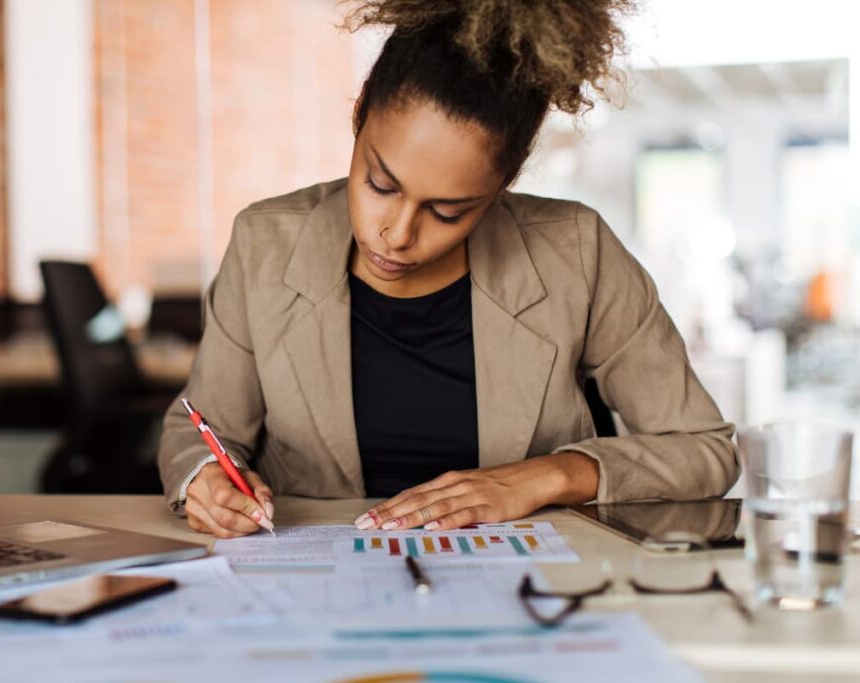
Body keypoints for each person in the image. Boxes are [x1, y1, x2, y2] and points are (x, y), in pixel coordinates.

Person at [158, 0, 739, 539]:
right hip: (318, 577)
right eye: (380, 184)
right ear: (360, 113)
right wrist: (206, 478)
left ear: (501, 187)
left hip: (533, 584)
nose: (398, 233)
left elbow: (705, 449)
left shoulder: (577, 252)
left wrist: (546, 477)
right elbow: (199, 426)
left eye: (447, 211)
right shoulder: (266, 242)